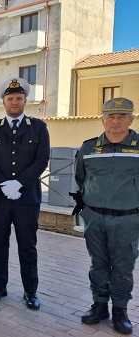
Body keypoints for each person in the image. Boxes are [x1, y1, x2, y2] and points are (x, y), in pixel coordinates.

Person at [0, 78, 50, 310]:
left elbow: (42, 159)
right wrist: (4, 184)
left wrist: (18, 183)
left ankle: (30, 291)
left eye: (18, 98)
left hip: (27, 198)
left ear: (25, 101)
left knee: (27, 246)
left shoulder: (39, 127)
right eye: (10, 98)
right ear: (3, 102)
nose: (14, 102)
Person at [74, 97, 137, 335]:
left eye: (122, 116)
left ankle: (120, 310)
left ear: (131, 119)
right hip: (95, 218)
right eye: (111, 116)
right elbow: (81, 179)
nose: (116, 121)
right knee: (98, 263)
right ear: (102, 120)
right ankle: (99, 306)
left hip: (129, 219)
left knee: (122, 267)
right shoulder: (88, 147)